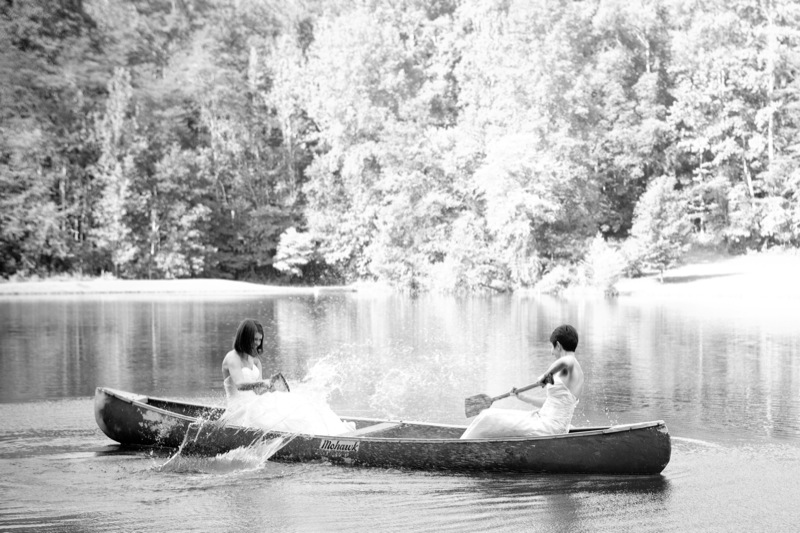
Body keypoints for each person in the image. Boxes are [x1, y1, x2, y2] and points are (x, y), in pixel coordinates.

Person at [220, 318, 355, 436]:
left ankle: (325, 434)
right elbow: (239, 385)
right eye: (255, 339)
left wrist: (271, 388)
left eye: (260, 340)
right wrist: (262, 383)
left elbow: (258, 392)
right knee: (279, 417)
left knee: (296, 405)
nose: (257, 343)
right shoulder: (232, 358)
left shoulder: (255, 361)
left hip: (255, 405)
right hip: (239, 410)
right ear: (245, 337)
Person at [460, 324, 584, 439]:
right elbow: (550, 404)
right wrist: (522, 397)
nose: (551, 352)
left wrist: (546, 375)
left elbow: (566, 361)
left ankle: (459, 447)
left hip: (547, 428)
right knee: (485, 415)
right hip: (543, 421)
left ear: (558, 345)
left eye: (552, 347)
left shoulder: (571, 363)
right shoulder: (570, 372)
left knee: (487, 417)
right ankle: (462, 443)